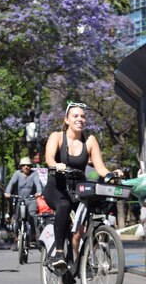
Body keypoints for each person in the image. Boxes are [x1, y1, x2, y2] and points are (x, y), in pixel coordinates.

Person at [43, 102, 122, 269]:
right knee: (63, 205)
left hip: (78, 189)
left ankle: (81, 256)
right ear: (67, 120)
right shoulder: (57, 136)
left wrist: (111, 174)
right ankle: (59, 253)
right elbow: (49, 157)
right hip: (56, 188)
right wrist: (56, 165)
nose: (80, 119)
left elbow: (99, 167)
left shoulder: (90, 140)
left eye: (83, 116)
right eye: (75, 116)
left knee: (94, 211)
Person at [4, 156, 43, 250]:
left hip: (31, 199)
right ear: (21, 167)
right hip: (19, 200)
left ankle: (33, 237)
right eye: (24, 165)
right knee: (17, 220)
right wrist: (7, 192)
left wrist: (39, 192)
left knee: (33, 216)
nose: (26, 167)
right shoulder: (17, 174)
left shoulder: (34, 174)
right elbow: (11, 184)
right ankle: (17, 238)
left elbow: (38, 184)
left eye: (28, 165)